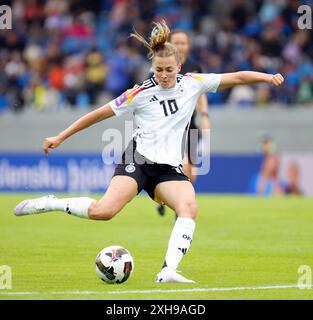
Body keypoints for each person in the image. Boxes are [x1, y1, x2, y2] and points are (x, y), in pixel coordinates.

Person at [14, 20, 284, 283]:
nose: (164, 75)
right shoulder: (139, 93)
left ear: (179, 66)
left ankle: (168, 270)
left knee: (189, 207)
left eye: (169, 69)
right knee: (103, 212)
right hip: (138, 160)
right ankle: (50, 202)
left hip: (167, 169)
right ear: (152, 67)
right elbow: (98, 115)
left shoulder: (193, 82)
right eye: (158, 70)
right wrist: (60, 136)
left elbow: (236, 77)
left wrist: (267, 77)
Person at [156, 29, 210, 217]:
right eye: (176, 43)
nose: (180, 46)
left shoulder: (195, 67)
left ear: (188, 46)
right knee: (183, 167)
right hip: (171, 128)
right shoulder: (162, 67)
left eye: (183, 43)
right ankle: (179, 210)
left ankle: (172, 201)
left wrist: (204, 115)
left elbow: (201, 93)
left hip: (191, 128)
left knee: (192, 174)